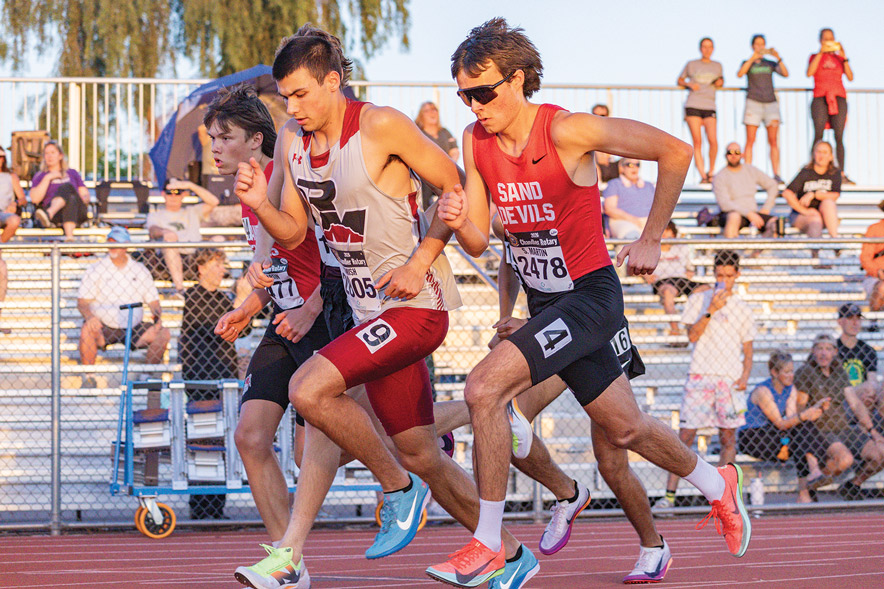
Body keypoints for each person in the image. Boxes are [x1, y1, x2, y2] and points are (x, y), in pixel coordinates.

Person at [431, 18, 751, 589]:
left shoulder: (568, 131)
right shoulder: (475, 142)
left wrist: (652, 234)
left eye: (483, 91)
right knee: (625, 428)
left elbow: (675, 151)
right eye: (464, 94)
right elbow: (483, 240)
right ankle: (715, 482)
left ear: (518, 79)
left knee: (483, 389)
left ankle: (488, 542)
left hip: (590, 297)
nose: (474, 105)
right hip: (546, 305)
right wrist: (454, 223)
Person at [231, 25, 542, 588]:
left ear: (333, 82)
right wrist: (259, 203)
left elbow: (455, 189)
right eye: (286, 97)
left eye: (302, 94)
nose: (293, 107)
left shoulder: (380, 125)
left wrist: (420, 260)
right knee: (422, 449)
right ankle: (511, 554)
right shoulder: (289, 142)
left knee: (308, 389)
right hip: (369, 312)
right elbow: (295, 229)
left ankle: (397, 488)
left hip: (417, 305)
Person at [655, 250, 756, 509]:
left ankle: (726, 496)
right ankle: (669, 496)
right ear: (713, 274)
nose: (724, 280)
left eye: (729, 275)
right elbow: (692, 335)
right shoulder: (700, 300)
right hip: (700, 375)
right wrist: (711, 309)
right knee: (685, 436)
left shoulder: (744, 308)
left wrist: (744, 376)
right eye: (719, 275)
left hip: (729, 379)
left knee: (728, 438)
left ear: (738, 275)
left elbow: (748, 348)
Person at [180, 247, 248, 520]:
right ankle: (200, 506)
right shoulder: (195, 296)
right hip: (201, 379)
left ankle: (216, 506)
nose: (223, 270)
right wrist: (241, 299)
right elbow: (217, 328)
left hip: (224, 376)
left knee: (221, 442)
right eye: (218, 264)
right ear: (201, 267)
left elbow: (243, 327)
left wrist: (242, 304)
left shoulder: (221, 298)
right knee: (202, 441)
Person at [738, 350, 837, 503]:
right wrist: (804, 415)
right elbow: (780, 423)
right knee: (801, 434)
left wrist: (817, 409)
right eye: (787, 372)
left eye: (792, 371)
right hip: (754, 436)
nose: (791, 375)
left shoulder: (790, 388)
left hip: (775, 434)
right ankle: (808, 483)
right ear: (774, 372)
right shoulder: (763, 391)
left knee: (801, 433)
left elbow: (792, 419)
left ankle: (808, 483)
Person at [77, 226, 170, 388]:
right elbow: (82, 302)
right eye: (110, 242)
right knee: (87, 329)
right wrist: (90, 317)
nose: (113, 247)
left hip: (134, 327)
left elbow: (153, 301)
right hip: (104, 326)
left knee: (163, 333)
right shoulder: (96, 269)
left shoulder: (139, 269)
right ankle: (89, 377)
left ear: (126, 246)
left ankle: (145, 376)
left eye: (117, 243)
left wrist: (158, 319)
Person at [794, 333, 884, 499]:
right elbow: (799, 407)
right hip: (821, 430)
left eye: (828, 349)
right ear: (813, 351)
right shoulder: (806, 372)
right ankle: (810, 486)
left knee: (880, 453)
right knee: (844, 460)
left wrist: (872, 430)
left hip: (843, 428)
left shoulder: (839, 372)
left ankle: (852, 485)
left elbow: (855, 404)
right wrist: (815, 408)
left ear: (835, 351)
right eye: (819, 348)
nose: (823, 353)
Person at [834, 303, 884, 499]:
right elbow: (835, 389)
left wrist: (869, 391)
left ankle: (854, 484)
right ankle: (868, 432)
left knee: (878, 387)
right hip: (842, 405)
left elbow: (872, 380)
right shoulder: (834, 350)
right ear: (840, 321)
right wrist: (862, 390)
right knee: (866, 390)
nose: (855, 323)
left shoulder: (867, 350)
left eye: (858, 319)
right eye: (850, 318)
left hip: (866, 403)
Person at [138, 177, 219, 294]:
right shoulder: (155, 215)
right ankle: (180, 290)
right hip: (167, 260)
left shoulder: (192, 211)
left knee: (218, 240)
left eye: (178, 193)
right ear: (163, 194)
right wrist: (165, 232)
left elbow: (214, 202)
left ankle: (213, 290)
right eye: (169, 193)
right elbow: (153, 230)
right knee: (170, 240)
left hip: (194, 257)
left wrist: (190, 185)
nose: (173, 197)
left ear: (184, 194)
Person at [644, 221, 708, 342]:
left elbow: (690, 268)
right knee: (668, 293)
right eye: (662, 230)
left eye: (668, 230)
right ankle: (675, 329)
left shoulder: (681, 247)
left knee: (707, 289)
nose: (664, 234)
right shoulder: (651, 249)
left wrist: (690, 271)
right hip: (664, 280)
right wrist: (645, 275)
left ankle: (694, 324)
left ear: (673, 233)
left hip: (681, 279)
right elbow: (634, 267)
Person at [737, 34, 788, 182]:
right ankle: (747, 171)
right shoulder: (748, 62)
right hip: (753, 103)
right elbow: (740, 73)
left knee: (773, 140)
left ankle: (776, 173)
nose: (760, 47)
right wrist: (753, 57)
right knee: (750, 140)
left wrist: (777, 57)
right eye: (757, 44)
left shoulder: (770, 63)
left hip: (771, 103)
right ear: (753, 46)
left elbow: (785, 73)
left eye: (762, 44)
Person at [807, 28, 854, 184]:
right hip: (820, 97)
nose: (828, 42)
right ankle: (812, 171)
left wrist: (843, 54)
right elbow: (809, 73)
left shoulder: (839, 59)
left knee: (839, 137)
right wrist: (821, 52)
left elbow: (850, 76)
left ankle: (841, 173)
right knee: (818, 135)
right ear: (820, 40)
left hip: (838, 98)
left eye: (831, 39)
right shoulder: (814, 57)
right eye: (825, 39)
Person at [678, 37, 723, 184]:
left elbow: (721, 81)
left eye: (710, 47)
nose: (707, 50)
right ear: (700, 48)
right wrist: (689, 84)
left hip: (709, 105)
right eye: (704, 47)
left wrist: (719, 82)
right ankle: (703, 175)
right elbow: (680, 80)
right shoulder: (691, 64)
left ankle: (711, 172)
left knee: (713, 140)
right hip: (693, 104)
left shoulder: (717, 65)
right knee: (697, 142)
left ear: (713, 49)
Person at [712, 142, 780, 238]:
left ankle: (755, 253)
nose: (733, 155)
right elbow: (725, 204)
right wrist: (748, 213)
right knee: (734, 217)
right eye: (730, 152)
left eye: (737, 152)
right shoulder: (720, 176)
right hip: (732, 213)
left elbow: (772, 185)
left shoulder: (750, 170)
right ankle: (730, 252)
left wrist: (766, 208)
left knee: (776, 224)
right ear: (725, 155)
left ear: (742, 154)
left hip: (753, 213)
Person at [781, 141, 841, 244]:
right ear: (813, 154)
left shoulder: (834, 172)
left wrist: (814, 194)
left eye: (825, 152)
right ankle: (815, 256)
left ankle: (835, 241)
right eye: (818, 152)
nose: (821, 155)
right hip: (802, 215)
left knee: (828, 203)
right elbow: (787, 193)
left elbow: (835, 195)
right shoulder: (806, 172)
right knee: (815, 219)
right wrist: (804, 211)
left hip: (824, 214)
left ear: (831, 156)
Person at [29, 141, 90, 239]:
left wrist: (83, 198)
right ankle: (69, 238)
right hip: (57, 216)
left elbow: (85, 195)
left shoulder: (72, 173)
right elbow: (35, 199)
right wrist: (48, 177)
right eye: (47, 153)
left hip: (77, 212)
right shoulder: (40, 176)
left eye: (53, 153)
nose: (49, 156)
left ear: (60, 155)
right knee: (70, 197)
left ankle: (49, 214)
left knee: (68, 188)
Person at [414, 101, 460, 210]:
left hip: (444, 174)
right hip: (424, 177)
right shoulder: (417, 132)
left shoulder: (445, 132)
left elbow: (454, 151)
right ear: (421, 115)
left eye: (434, 109)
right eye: (427, 110)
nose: (432, 112)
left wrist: (449, 166)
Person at [0, 145, 25, 333]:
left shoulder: (10, 177)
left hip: (3, 213)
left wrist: (15, 203)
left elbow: (23, 198)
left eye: (1, 156)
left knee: (14, 220)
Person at [602, 158, 655, 240]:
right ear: (621, 168)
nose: (634, 168)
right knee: (632, 234)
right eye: (630, 165)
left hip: (647, 223)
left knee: (671, 233)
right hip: (621, 221)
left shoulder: (649, 186)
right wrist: (635, 220)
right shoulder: (614, 184)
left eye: (637, 165)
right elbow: (610, 209)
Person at [859, 203, 884, 313]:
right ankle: (873, 322)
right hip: (876, 277)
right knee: (882, 287)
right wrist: (877, 272)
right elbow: (865, 258)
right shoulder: (874, 229)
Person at [591, 104, 618, 183]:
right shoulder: (588, 133)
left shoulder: (614, 133)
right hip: (594, 167)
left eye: (602, 115)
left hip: (611, 167)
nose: (598, 117)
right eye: (595, 115)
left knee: (629, 163)